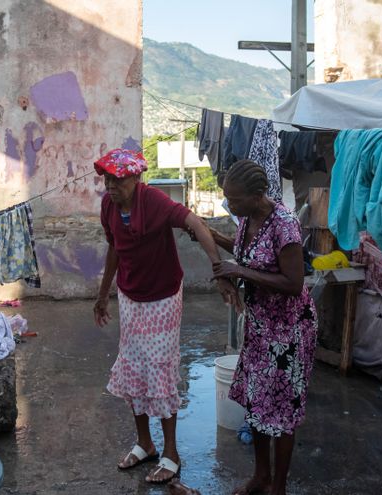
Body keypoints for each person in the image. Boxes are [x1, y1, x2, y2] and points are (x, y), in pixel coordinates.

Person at [92, 148, 238, 484]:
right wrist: (103, 295)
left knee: (160, 367)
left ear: (135, 178)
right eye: (106, 179)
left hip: (163, 296)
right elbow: (114, 247)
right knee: (133, 365)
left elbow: (197, 224)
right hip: (131, 295)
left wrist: (219, 271)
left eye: (118, 179)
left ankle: (171, 451)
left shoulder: (154, 201)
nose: (111, 186)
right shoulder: (108, 206)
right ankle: (145, 443)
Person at [209, 160, 318, 495]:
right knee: (256, 403)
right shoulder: (249, 219)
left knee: (282, 412)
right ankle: (261, 477)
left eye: (236, 199)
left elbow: (293, 281)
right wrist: (215, 238)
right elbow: (249, 254)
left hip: (289, 332)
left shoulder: (284, 225)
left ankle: (278, 486)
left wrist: (240, 273)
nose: (231, 204)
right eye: (227, 197)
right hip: (260, 328)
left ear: (258, 195)